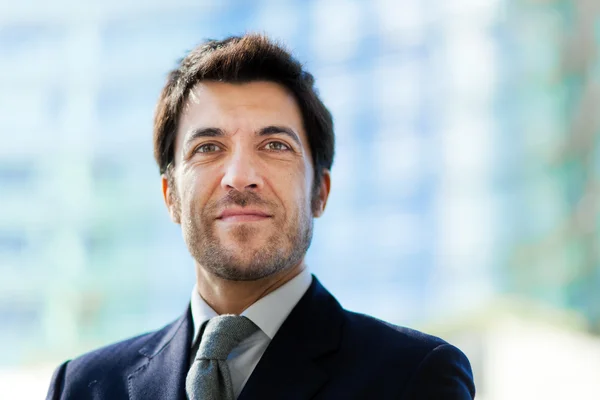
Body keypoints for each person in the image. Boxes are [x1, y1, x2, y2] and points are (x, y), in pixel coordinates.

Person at [46, 34, 476, 400]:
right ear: (170, 196)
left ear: (319, 193)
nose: (240, 177)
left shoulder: (414, 376)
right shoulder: (83, 386)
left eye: (275, 146)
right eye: (208, 148)